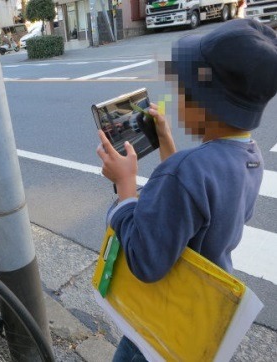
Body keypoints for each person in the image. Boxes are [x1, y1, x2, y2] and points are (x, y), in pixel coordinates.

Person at [96, 19, 277, 361]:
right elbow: (197, 196)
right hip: (199, 309)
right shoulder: (250, 158)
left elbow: (145, 261)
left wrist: (124, 187)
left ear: (203, 104)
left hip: (160, 320)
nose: (176, 99)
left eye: (181, 90)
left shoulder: (185, 172)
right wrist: (165, 142)